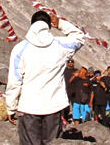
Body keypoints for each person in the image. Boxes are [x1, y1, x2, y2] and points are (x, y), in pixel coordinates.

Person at [5, 10, 85, 145]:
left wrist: (10, 107)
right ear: (49, 25)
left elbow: (15, 81)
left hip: (28, 107)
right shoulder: (60, 45)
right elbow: (79, 37)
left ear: (31, 25)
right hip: (53, 106)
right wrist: (60, 23)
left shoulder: (20, 49)